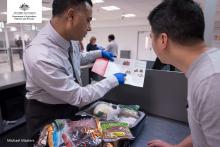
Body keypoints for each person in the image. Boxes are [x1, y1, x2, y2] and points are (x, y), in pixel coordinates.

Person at [23, 0, 126, 143]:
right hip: (47, 115)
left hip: (68, 106)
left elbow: (77, 58)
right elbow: (79, 96)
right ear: (71, 16)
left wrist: (99, 54)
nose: (89, 28)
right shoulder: (40, 55)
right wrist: (113, 80)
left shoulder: (69, 39)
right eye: (88, 20)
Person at [147, 0, 220, 147]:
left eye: (151, 36)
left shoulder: (211, 81)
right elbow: (205, 129)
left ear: (163, 40)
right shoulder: (204, 69)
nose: (151, 41)